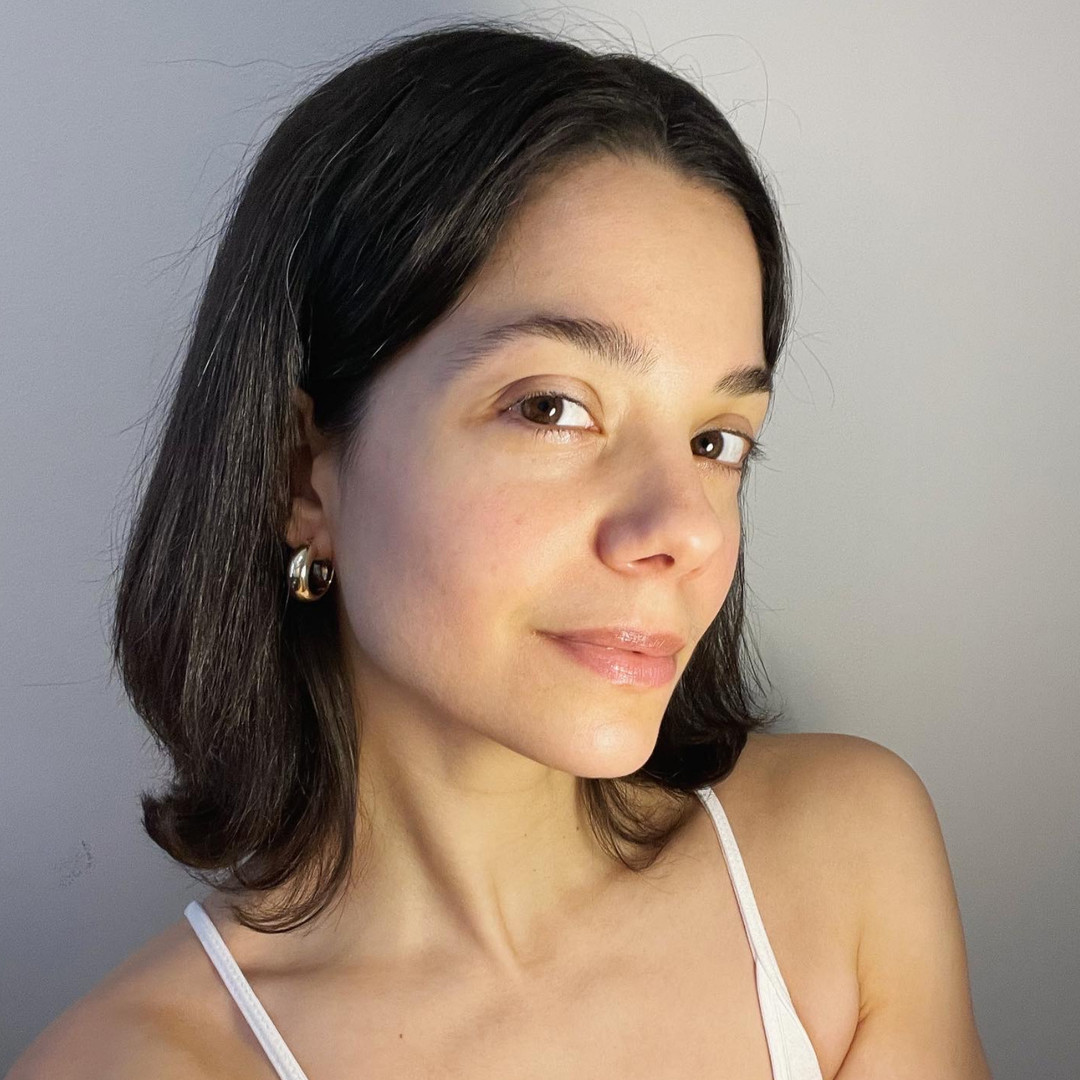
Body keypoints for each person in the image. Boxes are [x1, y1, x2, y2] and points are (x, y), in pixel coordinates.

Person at [8, 17, 992, 1080]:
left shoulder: (847, 862)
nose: (686, 529)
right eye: (552, 407)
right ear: (302, 475)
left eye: (716, 440)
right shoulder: (135, 1064)